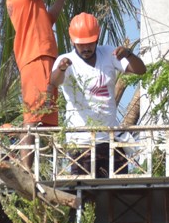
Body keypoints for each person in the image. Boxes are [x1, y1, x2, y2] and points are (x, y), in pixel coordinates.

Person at [5, 0, 104, 127]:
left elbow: (47, 20)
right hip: (36, 57)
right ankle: (28, 157)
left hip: (44, 56)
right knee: (33, 118)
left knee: (48, 119)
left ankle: (42, 157)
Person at [48, 12, 146, 178]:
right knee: (85, 191)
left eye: (90, 43)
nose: (86, 49)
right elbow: (54, 82)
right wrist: (62, 69)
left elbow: (140, 70)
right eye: (81, 44)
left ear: (97, 39)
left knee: (120, 189)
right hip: (82, 141)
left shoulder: (108, 53)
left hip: (111, 137)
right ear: (72, 41)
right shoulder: (65, 60)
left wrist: (128, 54)